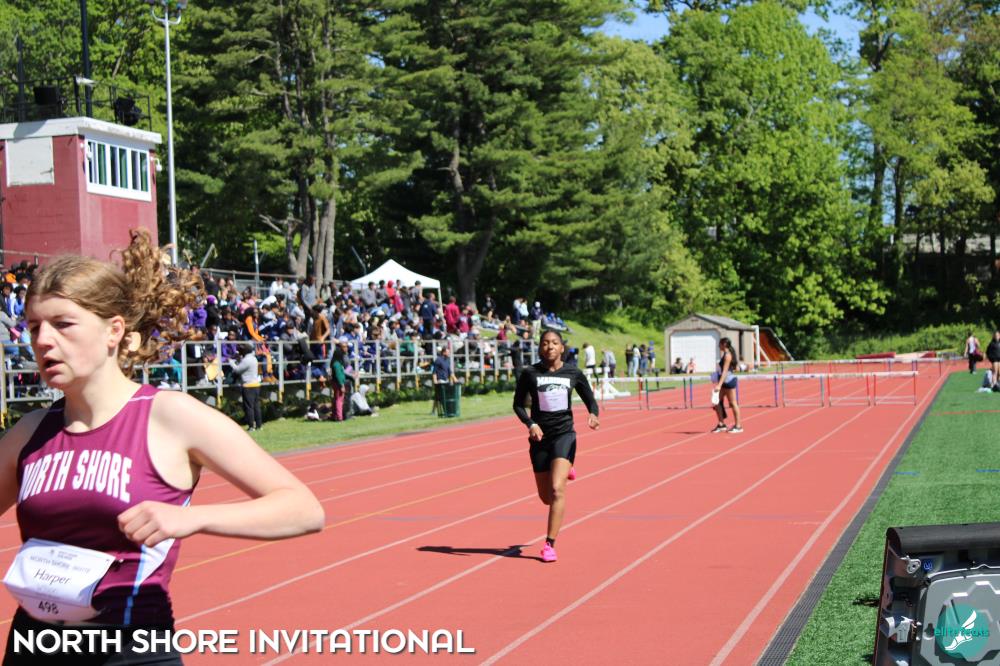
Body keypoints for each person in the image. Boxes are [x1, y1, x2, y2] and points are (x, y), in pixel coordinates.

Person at [0, 230, 323, 665]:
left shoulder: (169, 416)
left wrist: (190, 518)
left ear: (114, 330)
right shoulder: (31, 431)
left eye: (63, 324)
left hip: (129, 650)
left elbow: (303, 509)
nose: (42, 341)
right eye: (34, 326)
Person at [513, 330, 600, 563]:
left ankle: (549, 545)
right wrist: (530, 423)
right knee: (545, 498)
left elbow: (589, 398)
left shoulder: (573, 373)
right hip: (540, 439)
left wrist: (593, 414)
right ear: (540, 348)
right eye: (545, 343)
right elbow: (518, 405)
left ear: (562, 348)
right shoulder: (530, 373)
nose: (550, 346)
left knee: (557, 489)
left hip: (564, 434)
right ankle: (565, 467)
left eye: (554, 343)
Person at [711, 337, 743, 433]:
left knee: (733, 403)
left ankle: (738, 426)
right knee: (716, 402)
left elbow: (725, 371)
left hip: (728, 382)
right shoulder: (725, 354)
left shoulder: (728, 355)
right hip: (724, 382)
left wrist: (719, 385)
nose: (718, 346)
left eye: (720, 344)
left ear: (724, 344)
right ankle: (721, 424)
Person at [230, 343, 263, 431]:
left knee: (249, 407)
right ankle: (259, 425)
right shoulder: (253, 358)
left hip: (248, 386)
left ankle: (251, 426)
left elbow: (237, 370)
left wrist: (231, 362)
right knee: (256, 406)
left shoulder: (246, 360)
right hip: (256, 385)